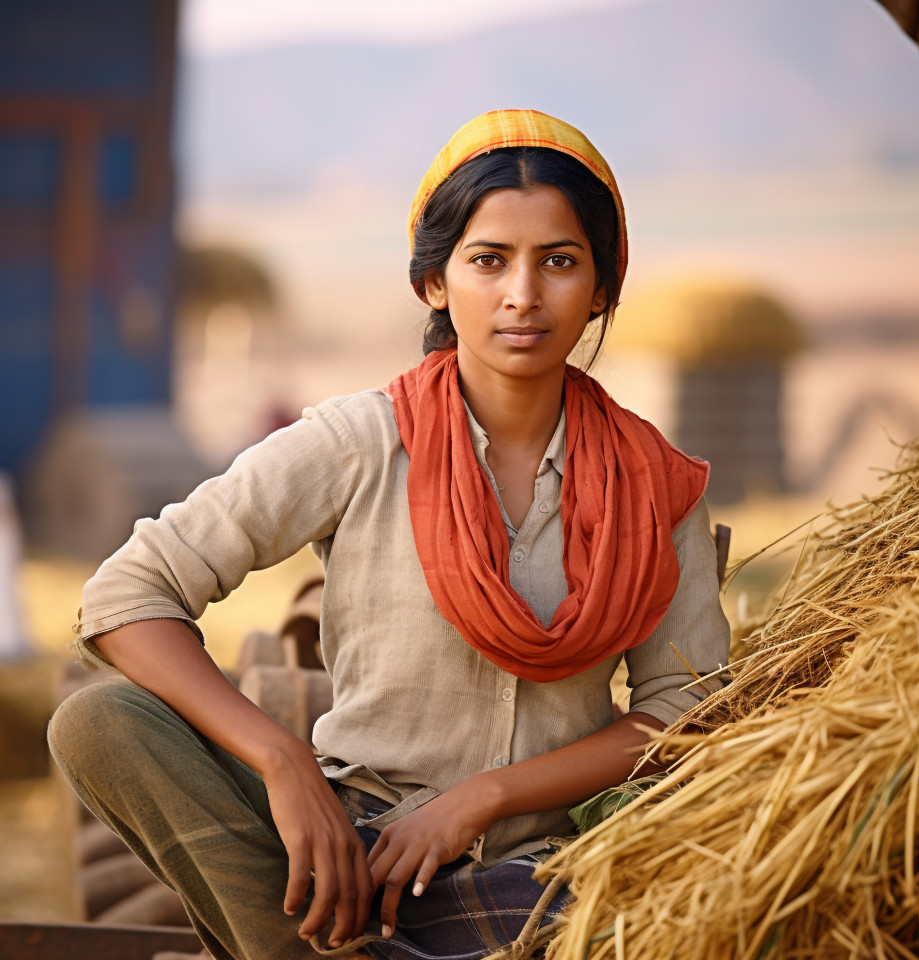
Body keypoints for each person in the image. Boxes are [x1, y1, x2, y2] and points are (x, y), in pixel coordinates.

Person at [48, 109, 730, 960]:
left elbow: (685, 712)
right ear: (434, 283)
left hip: (553, 876)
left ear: (600, 289)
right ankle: (326, 944)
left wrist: (482, 798)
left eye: (559, 261)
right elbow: (127, 593)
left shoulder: (655, 484)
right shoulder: (360, 443)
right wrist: (285, 764)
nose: (523, 294)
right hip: (346, 857)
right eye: (489, 260)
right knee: (98, 720)